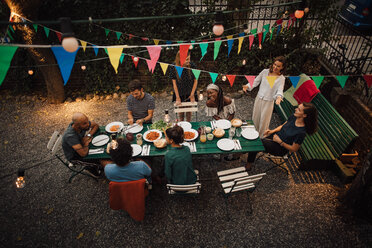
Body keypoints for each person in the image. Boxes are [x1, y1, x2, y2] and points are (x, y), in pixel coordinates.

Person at [246, 102, 318, 170]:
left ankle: (248, 165)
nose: (295, 109)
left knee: (256, 143)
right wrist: (272, 131)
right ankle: (245, 153)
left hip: (280, 148)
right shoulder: (294, 117)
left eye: (299, 109)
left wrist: (280, 142)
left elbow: (294, 149)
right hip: (275, 137)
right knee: (256, 142)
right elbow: (283, 125)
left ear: (304, 115)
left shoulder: (301, 132)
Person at [243, 56, 286, 137]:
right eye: (275, 64)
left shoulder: (281, 78)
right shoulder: (265, 72)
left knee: (264, 122)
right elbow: (256, 81)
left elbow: (280, 90)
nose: (275, 67)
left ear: (282, 67)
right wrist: (247, 86)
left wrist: (279, 97)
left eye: (278, 66)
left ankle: (262, 139)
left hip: (269, 102)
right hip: (259, 98)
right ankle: (252, 135)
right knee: (255, 118)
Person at [62, 112, 101, 177]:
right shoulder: (70, 136)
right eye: (85, 123)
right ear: (77, 125)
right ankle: (89, 169)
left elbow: (96, 125)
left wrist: (88, 136)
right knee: (100, 161)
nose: (88, 124)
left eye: (87, 121)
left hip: (81, 146)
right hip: (75, 156)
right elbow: (83, 154)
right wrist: (86, 144)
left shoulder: (81, 124)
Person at [169, 51, 198, 122]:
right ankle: (181, 125)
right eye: (187, 59)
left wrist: (192, 94)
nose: (189, 61)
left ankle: (189, 124)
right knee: (181, 112)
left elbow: (195, 80)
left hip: (190, 91)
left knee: (189, 111)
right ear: (180, 59)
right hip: (179, 92)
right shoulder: (173, 67)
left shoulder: (192, 65)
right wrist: (177, 97)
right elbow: (174, 84)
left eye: (189, 59)